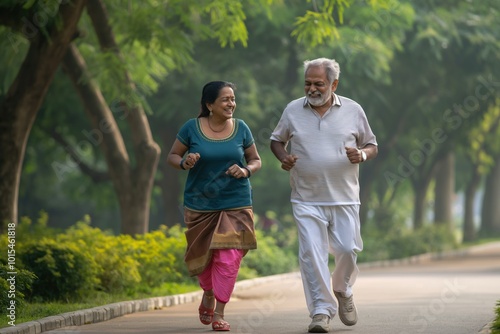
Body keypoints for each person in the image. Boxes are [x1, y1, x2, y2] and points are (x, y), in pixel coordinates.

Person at [270, 58, 378, 333]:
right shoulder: (293, 110)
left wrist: (362, 155)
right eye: (308, 83)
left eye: (319, 83)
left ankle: (342, 289)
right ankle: (320, 310)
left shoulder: (353, 110)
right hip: (306, 197)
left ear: (334, 84)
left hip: (344, 197)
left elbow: (371, 144)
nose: (312, 88)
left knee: (346, 250)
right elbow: (276, 140)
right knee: (311, 254)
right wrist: (284, 158)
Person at [167, 81, 261, 332]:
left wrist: (244, 170)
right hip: (200, 204)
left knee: (229, 256)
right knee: (203, 256)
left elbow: (255, 160)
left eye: (233, 98)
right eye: (225, 99)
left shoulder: (241, 128)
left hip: (236, 202)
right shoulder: (191, 128)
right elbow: (172, 156)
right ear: (209, 105)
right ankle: (208, 292)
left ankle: (220, 311)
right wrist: (185, 162)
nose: (231, 103)